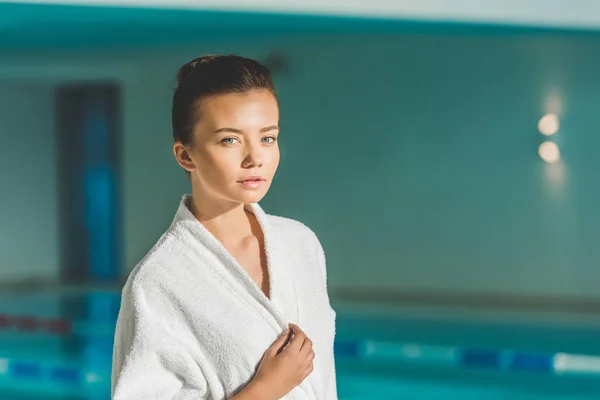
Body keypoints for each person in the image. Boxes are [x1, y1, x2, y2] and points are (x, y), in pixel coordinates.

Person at [111, 54, 338, 400]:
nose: (255, 158)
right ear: (186, 155)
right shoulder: (157, 281)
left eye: (267, 138)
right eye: (230, 140)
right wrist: (264, 390)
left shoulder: (301, 244)